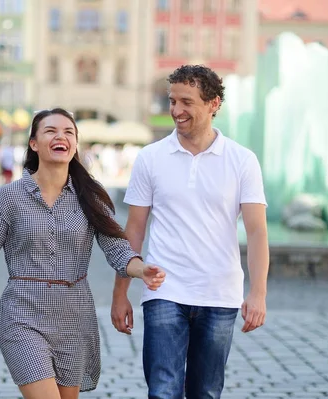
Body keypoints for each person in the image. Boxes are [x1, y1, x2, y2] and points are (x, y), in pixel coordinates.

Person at [0, 108, 166, 399]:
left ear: (74, 145)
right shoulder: (9, 197)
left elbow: (117, 248)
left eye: (68, 132)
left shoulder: (90, 195)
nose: (61, 136)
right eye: (51, 131)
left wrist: (142, 269)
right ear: (34, 143)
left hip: (74, 319)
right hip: (22, 315)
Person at [110, 65, 270, 399]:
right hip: (163, 290)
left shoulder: (242, 161)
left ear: (213, 104)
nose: (176, 111)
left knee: (206, 392)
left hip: (219, 293)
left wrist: (258, 293)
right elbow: (134, 230)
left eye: (186, 102)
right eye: (172, 101)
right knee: (163, 390)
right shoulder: (150, 158)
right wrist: (120, 293)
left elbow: (256, 232)